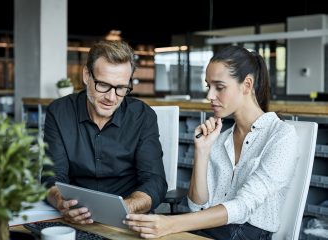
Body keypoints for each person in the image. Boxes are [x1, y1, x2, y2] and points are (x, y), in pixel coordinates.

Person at [123, 45, 298, 240]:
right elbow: (197, 206)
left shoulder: (282, 135)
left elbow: (242, 206)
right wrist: (202, 151)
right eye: (209, 86)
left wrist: (171, 224)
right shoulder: (220, 138)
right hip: (211, 229)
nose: (209, 96)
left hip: (247, 233)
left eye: (219, 87)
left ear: (247, 85)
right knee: (137, 232)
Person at [41, 40, 168, 225]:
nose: (111, 97)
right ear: (86, 76)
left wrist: (126, 207)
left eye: (121, 88)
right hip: (74, 217)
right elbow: (52, 176)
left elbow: (154, 180)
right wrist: (61, 202)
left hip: (128, 219)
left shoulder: (143, 116)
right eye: (103, 85)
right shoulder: (59, 112)